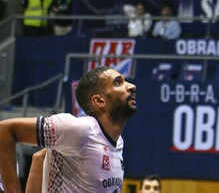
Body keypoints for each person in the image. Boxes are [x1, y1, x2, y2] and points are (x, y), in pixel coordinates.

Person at [0, 66, 136, 192]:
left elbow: (41, 157)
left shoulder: (118, 142)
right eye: (118, 83)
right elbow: (6, 129)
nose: (131, 86)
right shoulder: (81, 129)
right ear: (99, 101)